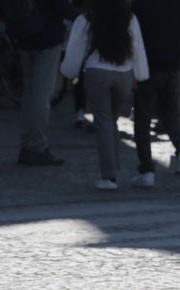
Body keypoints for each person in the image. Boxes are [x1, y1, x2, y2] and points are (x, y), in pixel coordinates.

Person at [59, 0, 149, 190]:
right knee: (111, 120)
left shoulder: (87, 18)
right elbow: (138, 47)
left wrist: (68, 72)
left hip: (97, 72)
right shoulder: (129, 18)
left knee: (103, 122)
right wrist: (141, 74)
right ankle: (115, 170)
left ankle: (109, 177)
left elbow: (75, 49)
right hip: (124, 74)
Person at [130, 0, 180, 187]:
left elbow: (135, 36)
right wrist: (179, 56)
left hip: (148, 66)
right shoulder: (179, 4)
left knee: (143, 120)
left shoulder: (141, 5)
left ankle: (146, 170)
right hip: (173, 66)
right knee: (171, 116)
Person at [12, 0, 79, 167]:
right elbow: (60, 6)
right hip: (46, 37)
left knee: (30, 93)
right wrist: (82, 17)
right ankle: (37, 147)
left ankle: (28, 144)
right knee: (41, 96)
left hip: (24, 36)